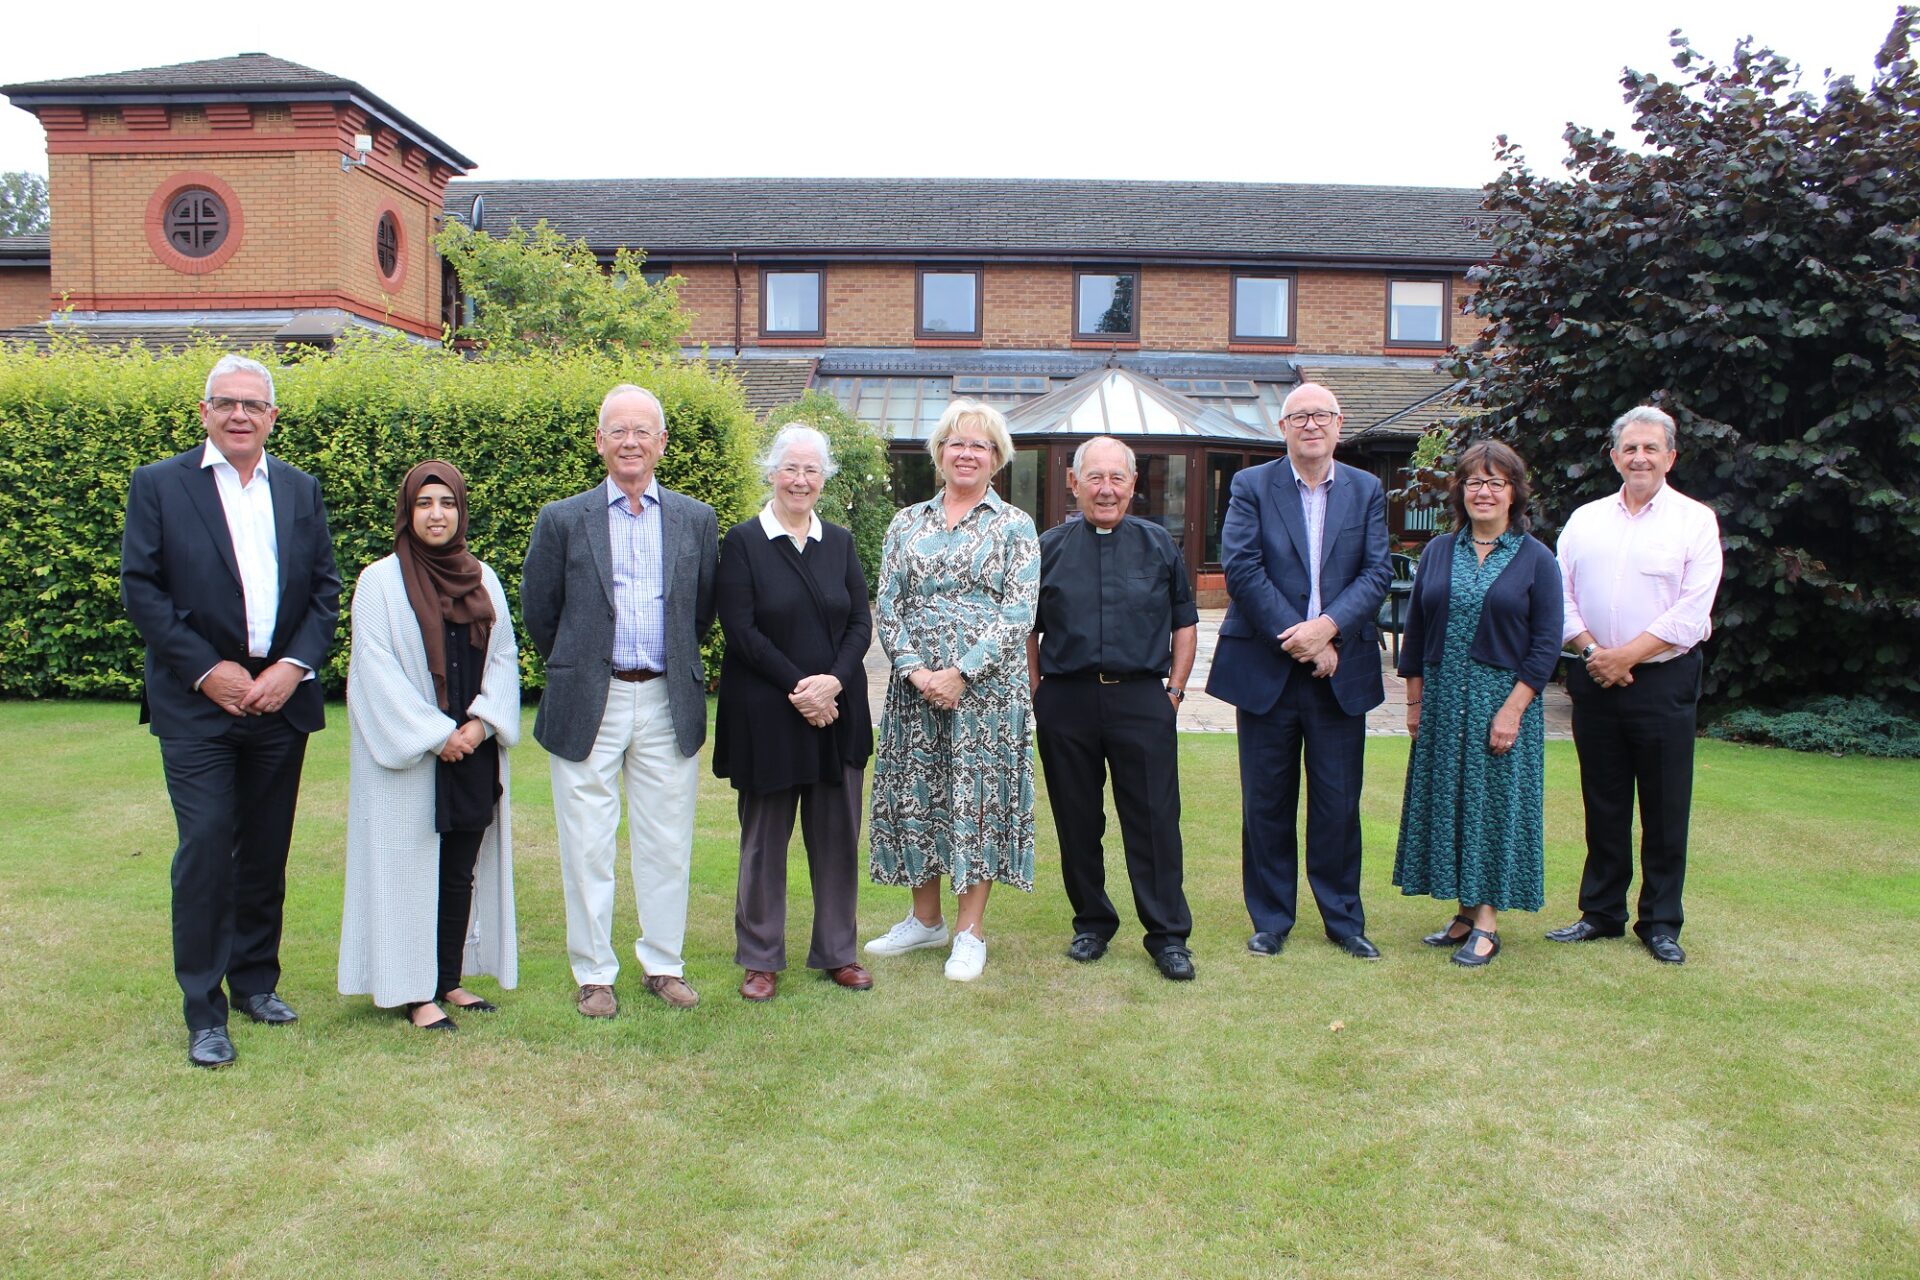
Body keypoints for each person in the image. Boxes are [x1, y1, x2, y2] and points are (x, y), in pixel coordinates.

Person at [120, 353, 341, 1068]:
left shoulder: (300, 491)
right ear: (205, 412)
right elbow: (142, 589)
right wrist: (206, 670)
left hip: (279, 700)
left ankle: (254, 982)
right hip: (198, 704)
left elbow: (323, 592)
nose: (240, 414)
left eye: (253, 404)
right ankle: (203, 1009)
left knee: (266, 852)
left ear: (273, 417)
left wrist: (290, 668)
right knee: (208, 847)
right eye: (227, 403)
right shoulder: (159, 485)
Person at [522, 384, 718, 1015]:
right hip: (590, 698)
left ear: (661, 443)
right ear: (600, 441)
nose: (630, 442)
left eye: (643, 432)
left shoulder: (695, 519)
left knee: (667, 840)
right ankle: (594, 973)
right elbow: (540, 611)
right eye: (618, 431)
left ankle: (664, 963)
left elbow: (702, 612)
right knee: (586, 842)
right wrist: (583, 664)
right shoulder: (561, 519)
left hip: (666, 697)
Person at [1206, 382, 1390, 960]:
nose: (1311, 424)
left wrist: (1328, 628)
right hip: (1268, 671)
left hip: (1340, 673)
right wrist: (1305, 640)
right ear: (1282, 428)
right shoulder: (1250, 485)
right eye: (1298, 416)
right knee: (1266, 802)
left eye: (1322, 415)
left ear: (1339, 425)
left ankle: (1343, 919)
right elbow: (1242, 567)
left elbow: (1377, 572)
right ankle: (1271, 919)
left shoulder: (1366, 489)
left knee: (1339, 803)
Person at [338, 461, 521, 1029]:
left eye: (447, 503)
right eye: (424, 503)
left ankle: (447, 979)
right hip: (417, 754)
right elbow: (374, 670)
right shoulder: (379, 582)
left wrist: (481, 723)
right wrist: (436, 734)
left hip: (471, 747)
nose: (436, 514)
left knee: (459, 868)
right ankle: (414, 991)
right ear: (407, 512)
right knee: (410, 867)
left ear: (461, 511)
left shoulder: (483, 579)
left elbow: (505, 658)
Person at [865, 399, 1039, 982]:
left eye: (980, 445)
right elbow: (888, 607)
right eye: (956, 443)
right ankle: (924, 920)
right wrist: (918, 672)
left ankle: (969, 933)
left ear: (997, 459)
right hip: (915, 692)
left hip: (986, 695)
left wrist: (961, 671)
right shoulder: (904, 523)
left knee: (976, 800)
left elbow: (1019, 612)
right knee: (919, 797)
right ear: (939, 452)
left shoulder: (1014, 526)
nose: (967, 454)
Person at [1548, 405, 1722, 964]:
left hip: (1663, 679)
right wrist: (1597, 653)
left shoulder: (1694, 521)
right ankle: (1601, 914)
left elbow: (1693, 610)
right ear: (1614, 456)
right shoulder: (1585, 519)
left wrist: (1628, 655)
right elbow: (1561, 596)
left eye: (1651, 448)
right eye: (1630, 448)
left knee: (1666, 806)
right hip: (1594, 674)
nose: (1639, 457)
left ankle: (1661, 923)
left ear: (1670, 456)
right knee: (1603, 801)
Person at [1027, 436, 1199, 981]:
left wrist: (1173, 692)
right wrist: (1038, 692)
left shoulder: (1159, 546)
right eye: (1094, 478)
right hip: (1067, 700)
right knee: (1077, 820)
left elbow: (1185, 623)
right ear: (1074, 483)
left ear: (1132, 484)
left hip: (1142, 699)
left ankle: (1167, 936)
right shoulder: (1046, 548)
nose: (1106, 489)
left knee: (1153, 820)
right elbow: (1026, 630)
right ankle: (1092, 924)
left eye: (1116, 478)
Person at [713, 424, 875, 1001]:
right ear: (771, 473)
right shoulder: (742, 542)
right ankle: (760, 958)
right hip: (768, 715)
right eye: (791, 468)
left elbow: (860, 621)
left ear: (824, 479)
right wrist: (800, 689)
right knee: (763, 842)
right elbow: (741, 630)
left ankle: (838, 952)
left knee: (837, 838)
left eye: (811, 470)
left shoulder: (842, 543)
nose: (801, 479)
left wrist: (832, 682)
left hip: (837, 712)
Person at [1393, 441, 1562, 967]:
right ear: (1459, 492)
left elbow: (1545, 644)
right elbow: (1416, 629)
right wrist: (1415, 702)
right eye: (1473, 482)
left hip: (1502, 701)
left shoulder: (1538, 559)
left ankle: (1487, 921)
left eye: (1496, 483)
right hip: (1444, 699)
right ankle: (1464, 913)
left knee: (1491, 807)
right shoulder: (1441, 551)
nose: (1483, 492)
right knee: (1451, 803)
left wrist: (1513, 710)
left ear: (1514, 493)